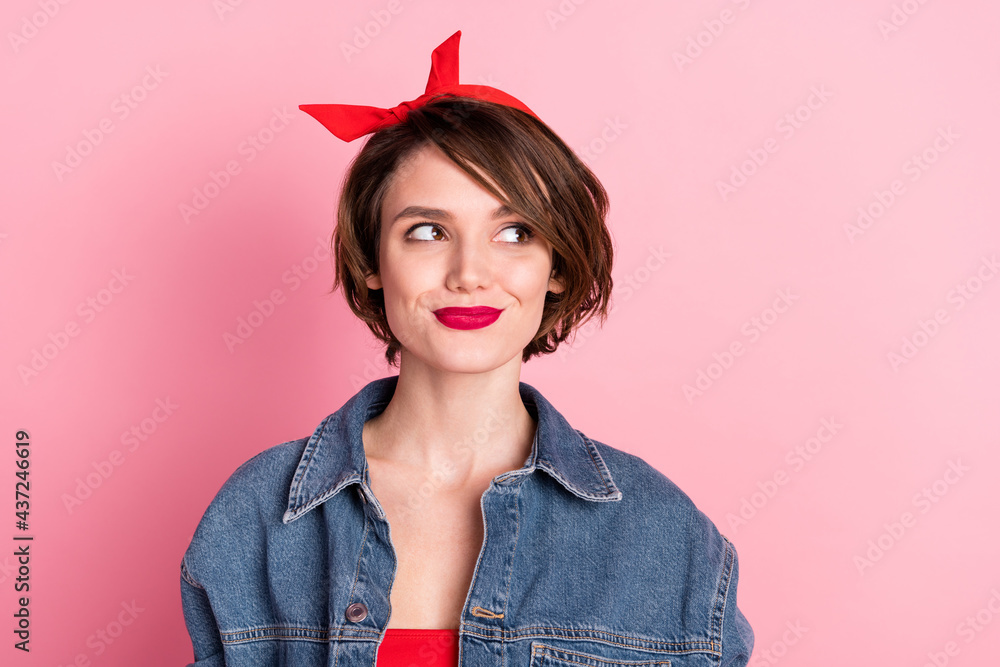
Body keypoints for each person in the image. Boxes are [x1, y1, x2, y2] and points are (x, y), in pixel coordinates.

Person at [180, 30, 754, 667]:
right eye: (427, 231)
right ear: (373, 259)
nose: (469, 272)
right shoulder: (258, 517)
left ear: (556, 266)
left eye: (514, 232)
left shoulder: (664, 535)